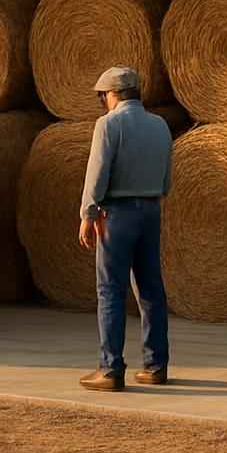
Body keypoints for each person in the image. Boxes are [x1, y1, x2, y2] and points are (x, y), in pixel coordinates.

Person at [76, 66, 173, 392]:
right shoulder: (160, 125)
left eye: (102, 96)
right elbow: (166, 179)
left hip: (116, 215)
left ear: (110, 94)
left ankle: (110, 368)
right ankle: (156, 366)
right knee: (151, 290)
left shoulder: (108, 125)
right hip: (150, 211)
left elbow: (97, 173)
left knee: (111, 291)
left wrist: (88, 213)